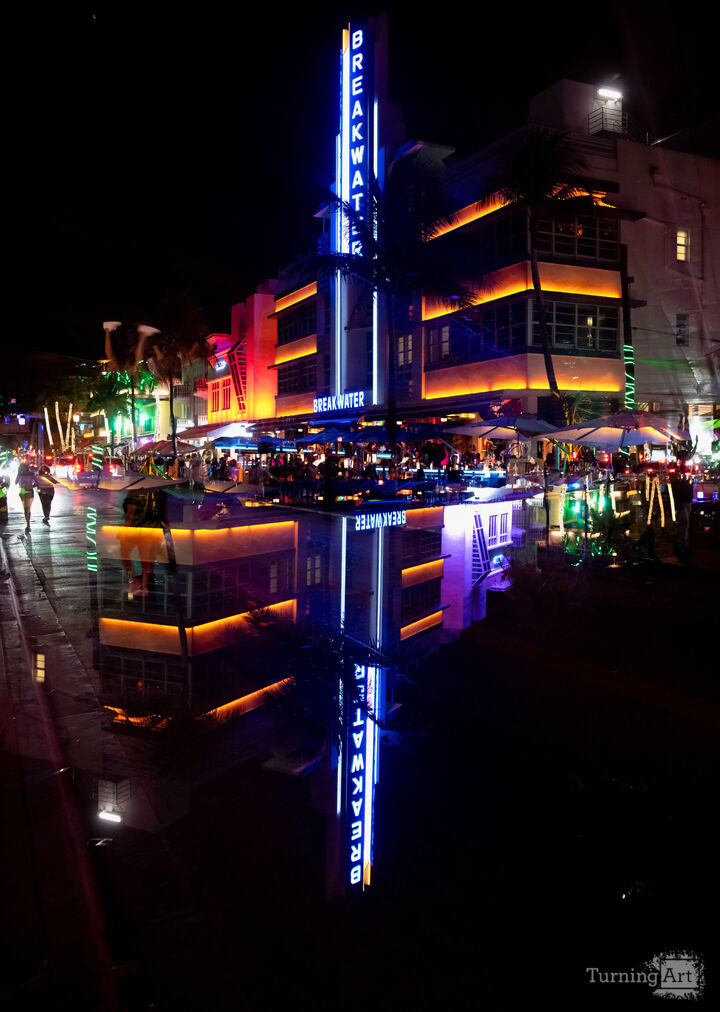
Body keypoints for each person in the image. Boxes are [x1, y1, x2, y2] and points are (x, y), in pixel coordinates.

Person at [15, 462, 38, 533]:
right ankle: (28, 523)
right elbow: (36, 483)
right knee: (28, 508)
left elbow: (15, 482)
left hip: (22, 492)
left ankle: (27, 523)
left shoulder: (20, 474)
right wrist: (31, 485)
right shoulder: (31, 473)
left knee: (25, 509)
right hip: (30, 492)